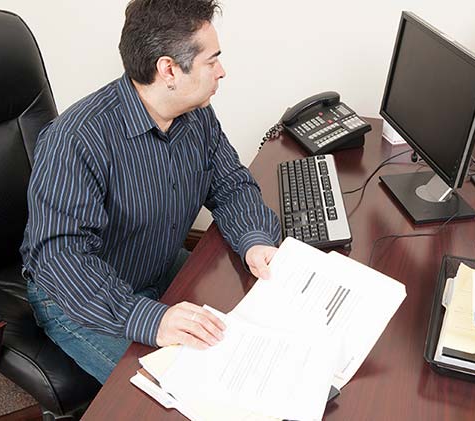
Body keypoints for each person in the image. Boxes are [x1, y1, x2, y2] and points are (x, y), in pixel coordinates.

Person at [20, 0, 280, 384]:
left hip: (151, 265)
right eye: (212, 61)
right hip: (77, 299)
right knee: (183, 392)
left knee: (257, 327)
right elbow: (62, 260)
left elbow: (230, 184)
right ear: (169, 69)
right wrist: (151, 318)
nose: (221, 71)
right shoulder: (75, 140)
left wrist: (255, 241)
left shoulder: (196, 114)